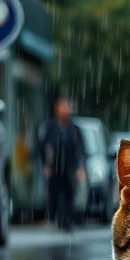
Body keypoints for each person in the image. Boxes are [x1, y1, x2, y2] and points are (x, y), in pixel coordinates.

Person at [37, 96, 87, 231]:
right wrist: (45, 164)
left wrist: (80, 166)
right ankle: (56, 217)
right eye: (62, 107)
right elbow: (42, 146)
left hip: (69, 166)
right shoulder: (50, 127)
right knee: (55, 193)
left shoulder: (74, 129)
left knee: (68, 193)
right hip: (54, 166)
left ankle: (67, 220)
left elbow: (80, 149)